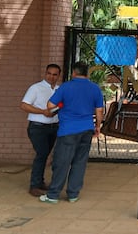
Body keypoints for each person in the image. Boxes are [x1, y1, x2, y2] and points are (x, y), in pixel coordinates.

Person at [39, 61, 104, 204]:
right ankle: (73, 194)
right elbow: (99, 110)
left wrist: (62, 103)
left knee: (62, 162)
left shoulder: (66, 87)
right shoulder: (95, 88)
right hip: (87, 128)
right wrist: (98, 126)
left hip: (67, 130)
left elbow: (50, 106)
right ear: (87, 73)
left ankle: (53, 195)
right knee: (79, 162)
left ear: (73, 73)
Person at [20, 63, 61, 197]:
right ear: (45, 73)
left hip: (53, 127)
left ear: (58, 76)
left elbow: (61, 104)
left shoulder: (59, 89)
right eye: (49, 73)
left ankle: (40, 182)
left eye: (55, 74)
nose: (51, 77)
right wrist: (42, 112)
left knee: (44, 155)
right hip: (38, 127)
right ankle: (34, 185)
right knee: (41, 154)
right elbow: (24, 105)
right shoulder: (36, 88)